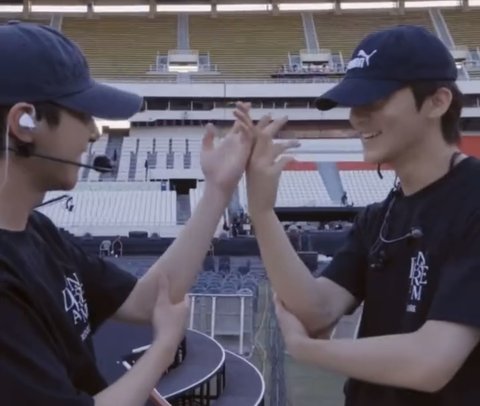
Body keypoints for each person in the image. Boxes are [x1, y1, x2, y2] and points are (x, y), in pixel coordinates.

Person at [0, 22, 255, 406]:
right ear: (25, 122)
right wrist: (162, 349)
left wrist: (217, 190)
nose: (93, 133)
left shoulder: (38, 231)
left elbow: (145, 300)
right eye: (82, 115)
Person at [245, 25, 480, 405]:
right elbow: (317, 311)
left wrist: (309, 350)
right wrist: (262, 211)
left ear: (438, 102)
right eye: (354, 104)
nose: (356, 118)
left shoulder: (473, 203)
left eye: (375, 100)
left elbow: (431, 362)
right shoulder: (378, 216)